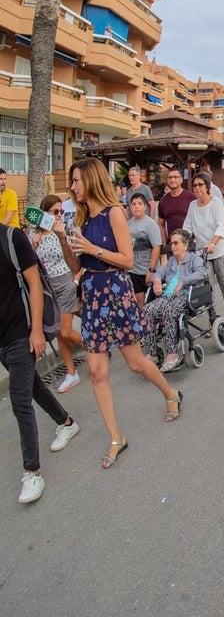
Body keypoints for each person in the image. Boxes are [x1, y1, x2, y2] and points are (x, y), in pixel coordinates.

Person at [65, 158, 183, 469]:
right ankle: (117, 437)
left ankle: (171, 393)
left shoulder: (114, 212)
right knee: (96, 371)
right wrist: (65, 243)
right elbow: (78, 265)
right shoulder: (82, 219)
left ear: (91, 180)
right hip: (92, 296)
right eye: (72, 181)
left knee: (134, 363)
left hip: (115, 293)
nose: (73, 186)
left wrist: (92, 249)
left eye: (77, 180)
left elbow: (127, 260)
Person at [0, 223, 80, 502]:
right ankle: (66, 422)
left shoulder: (12, 238)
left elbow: (34, 284)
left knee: (20, 399)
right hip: (1, 341)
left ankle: (32, 473)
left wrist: (35, 330)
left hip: (20, 333)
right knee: (33, 386)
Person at [31, 195, 84, 393]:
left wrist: (76, 281)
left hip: (65, 282)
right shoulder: (33, 235)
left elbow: (77, 260)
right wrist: (33, 245)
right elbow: (30, 264)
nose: (60, 215)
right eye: (55, 212)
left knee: (65, 331)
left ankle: (95, 349)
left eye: (62, 211)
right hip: (47, 288)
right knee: (60, 334)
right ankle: (72, 373)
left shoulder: (65, 232)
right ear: (44, 213)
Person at [142, 228, 206, 372]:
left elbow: (202, 274)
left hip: (185, 297)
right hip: (167, 297)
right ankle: (152, 353)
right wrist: (157, 280)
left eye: (176, 243)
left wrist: (183, 281)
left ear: (186, 244)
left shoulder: (194, 259)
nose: (172, 246)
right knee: (146, 310)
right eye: (171, 243)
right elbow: (159, 273)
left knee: (169, 311)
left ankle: (172, 354)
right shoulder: (171, 261)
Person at [184, 172, 224, 326]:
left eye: (200, 184)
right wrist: (183, 242)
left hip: (220, 249)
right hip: (203, 252)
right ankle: (213, 321)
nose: (197, 188)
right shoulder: (192, 206)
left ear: (207, 186)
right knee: (207, 289)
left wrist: (213, 243)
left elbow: (221, 225)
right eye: (194, 185)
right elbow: (187, 227)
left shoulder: (216, 203)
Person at [127, 193, 161, 307]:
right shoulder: (128, 224)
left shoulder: (150, 224)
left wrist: (151, 270)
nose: (136, 206)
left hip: (148, 270)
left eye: (140, 204)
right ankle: (142, 323)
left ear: (145, 206)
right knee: (139, 303)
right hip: (134, 271)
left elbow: (157, 247)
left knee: (153, 303)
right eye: (134, 204)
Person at [157, 168, 194, 245]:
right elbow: (161, 225)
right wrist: (165, 245)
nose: (172, 180)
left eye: (175, 177)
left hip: (189, 244)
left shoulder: (191, 198)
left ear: (181, 180)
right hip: (172, 245)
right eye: (170, 177)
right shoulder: (163, 201)